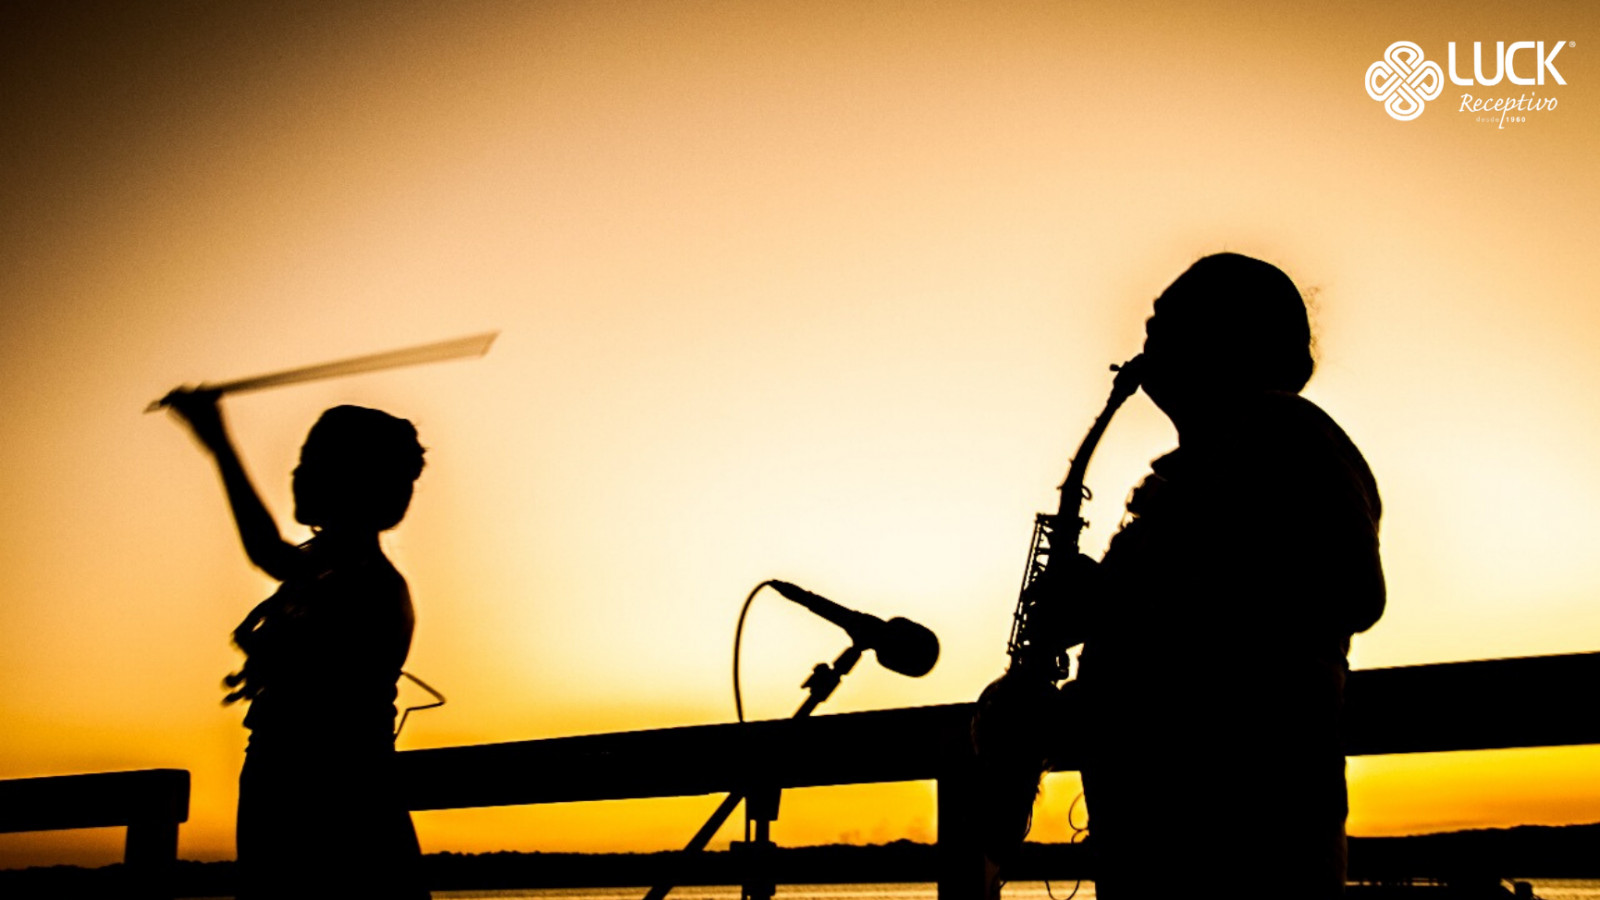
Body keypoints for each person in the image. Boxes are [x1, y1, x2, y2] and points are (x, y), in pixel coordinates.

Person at [1076, 253, 1386, 899]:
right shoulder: (1186, 472)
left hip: (1243, 827)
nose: (1147, 345)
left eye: (1167, 325)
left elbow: (1350, 589)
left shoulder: (1285, 430)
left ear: (1233, 337)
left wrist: (1115, 607)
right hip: (1159, 828)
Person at [166, 391, 430, 900]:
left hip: (330, 801)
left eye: (312, 461)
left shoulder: (364, 579)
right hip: (283, 786)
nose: (296, 473)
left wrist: (218, 441)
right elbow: (271, 558)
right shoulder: (334, 572)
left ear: (352, 482)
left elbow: (325, 700)